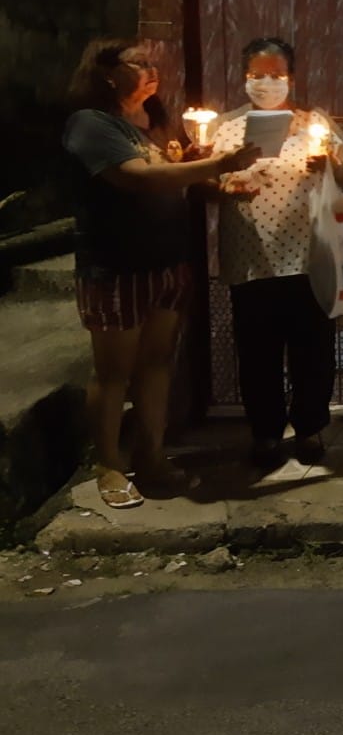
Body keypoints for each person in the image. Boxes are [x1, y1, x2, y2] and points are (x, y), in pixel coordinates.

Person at [62, 38, 258, 509]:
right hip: (116, 266)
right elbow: (137, 178)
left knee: (157, 363)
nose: (152, 70)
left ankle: (152, 455)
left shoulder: (154, 123)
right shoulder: (92, 124)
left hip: (168, 262)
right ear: (107, 73)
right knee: (114, 372)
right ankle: (108, 464)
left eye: (153, 63)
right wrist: (218, 163)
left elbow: (178, 181)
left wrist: (220, 186)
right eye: (138, 63)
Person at [208, 37, 343, 470]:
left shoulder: (313, 123)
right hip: (250, 255)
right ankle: (266, 433)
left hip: (310, 254)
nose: (267, 82)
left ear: (291, 77)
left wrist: (330, 163)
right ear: (244, 77)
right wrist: (225, 182)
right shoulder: (226, 127)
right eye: (258, 75)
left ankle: (310, 427)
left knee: (313, 348)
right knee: (258, 351)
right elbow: (202, 180)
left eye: (276, 74)